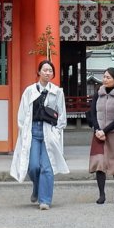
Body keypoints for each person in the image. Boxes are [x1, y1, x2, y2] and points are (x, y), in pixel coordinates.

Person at [9, 59, 69, 210]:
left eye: (50, 71)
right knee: (34, 166)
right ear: (38, 72)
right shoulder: (30, 91)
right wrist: (23, 131)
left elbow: (61, 115)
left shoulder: (57, 92)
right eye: (45, 70)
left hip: (49, 131)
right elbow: (22, 114)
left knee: (47, 168)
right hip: (33, 131)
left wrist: (56, 132)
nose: (47, 73)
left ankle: (45, 200)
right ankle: (37, 186)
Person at [88, 68, 114, 204]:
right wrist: (97, 129)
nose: (104, 79)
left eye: (108, 77)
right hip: (98, 134)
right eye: (104, 77)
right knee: (99, 164)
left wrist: (104, 131)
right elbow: (92, 113)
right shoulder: (98, 94)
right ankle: (102, 194)